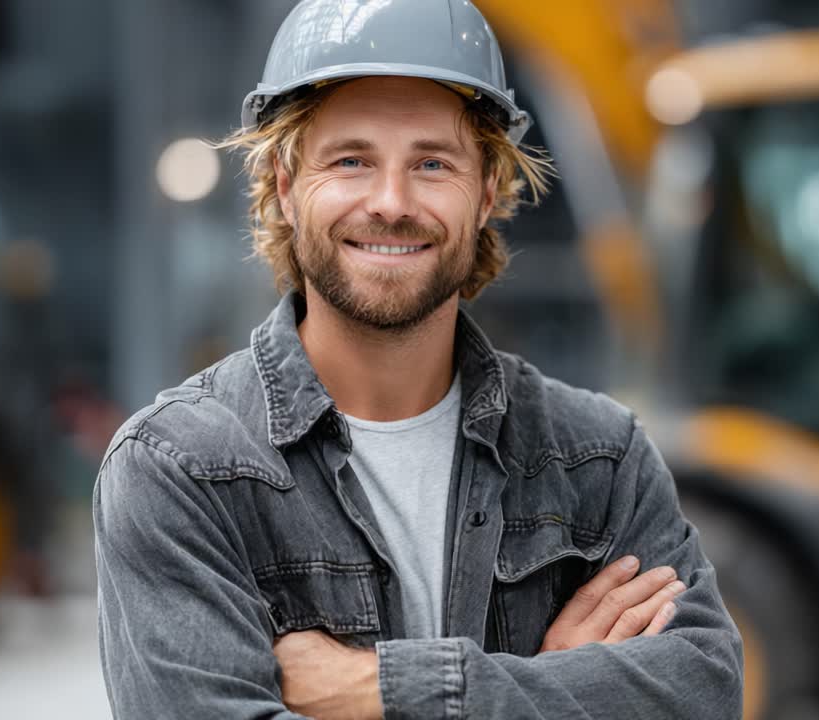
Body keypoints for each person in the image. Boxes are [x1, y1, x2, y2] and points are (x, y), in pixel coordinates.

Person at [93, 1, 743, 717]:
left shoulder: (598, 460)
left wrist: (384, 689)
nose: (392, 201)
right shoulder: (181, 470)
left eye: (432, 163)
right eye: (351, 161)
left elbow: (702, 689)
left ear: (488, 188)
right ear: (285, 185)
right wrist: (549, 687)